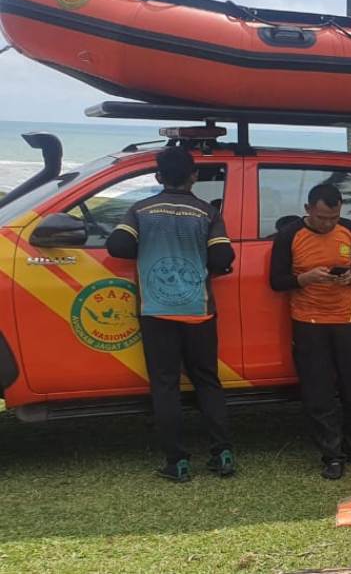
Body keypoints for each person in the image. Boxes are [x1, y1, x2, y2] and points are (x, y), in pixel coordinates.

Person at [106, 146, 236, 482]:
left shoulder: (140, 210)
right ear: (194, 175)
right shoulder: (207, 213)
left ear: (158, 176)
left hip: (157, 311)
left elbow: (118, 247)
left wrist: (148, 246)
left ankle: (177, 462)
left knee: (165, 386)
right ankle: (222, 454)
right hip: (198, 311)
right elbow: (222, 256)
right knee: (207, 381)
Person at [270, 183, 351, 480]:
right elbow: (276, 281)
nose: (329, 224)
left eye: (334, 217)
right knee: (319, 392)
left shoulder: (349, 230)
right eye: (322, 218)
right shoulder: (290, 235)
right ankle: (332, 455)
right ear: (308, 210)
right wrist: (304, 278)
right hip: (308, 321)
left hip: (345, 319)